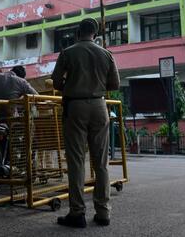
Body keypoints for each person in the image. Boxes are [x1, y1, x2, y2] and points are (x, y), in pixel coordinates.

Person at [51, 18, 120, 228]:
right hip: (100, 106)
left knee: (76, 161)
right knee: (101, 163)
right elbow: (115, 83)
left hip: (75, 107)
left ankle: (78, 213)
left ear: (78, 32)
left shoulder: (68, 52)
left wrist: (71, 86)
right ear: (96, 34)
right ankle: (103, 212)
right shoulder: (106, 53)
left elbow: (55, 81)